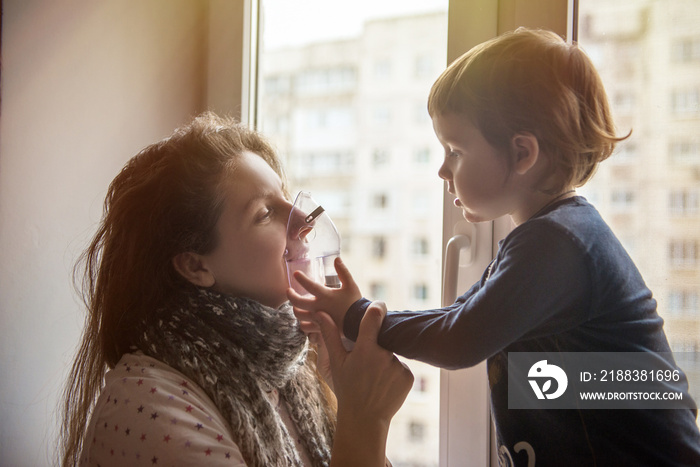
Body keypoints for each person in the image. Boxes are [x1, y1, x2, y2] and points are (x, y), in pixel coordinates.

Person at [288, 28, 700, 466]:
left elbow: (460, 339)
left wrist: (357, 316)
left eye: (456, 150)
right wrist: (359, 316)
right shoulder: (542, 239)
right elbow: (458, 317)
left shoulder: (560, 243)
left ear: (523, 154)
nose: (443, 170)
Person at [59, 112, 413, 467]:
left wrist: (347, 399)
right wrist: (365, 420)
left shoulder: (292, 372)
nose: (305, 221)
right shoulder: (150, 409)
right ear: (196, 266)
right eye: (265, 213)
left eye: (286, 197)